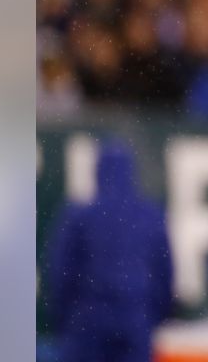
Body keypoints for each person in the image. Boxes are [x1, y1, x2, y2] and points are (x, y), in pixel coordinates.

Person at [44, 141, 173, 362]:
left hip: (88, 319)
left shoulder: (80, 215)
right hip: (135, 317)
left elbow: (61, 273)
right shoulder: (150, 215)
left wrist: (66, 318)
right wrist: (151, 316)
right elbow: (164, 274)